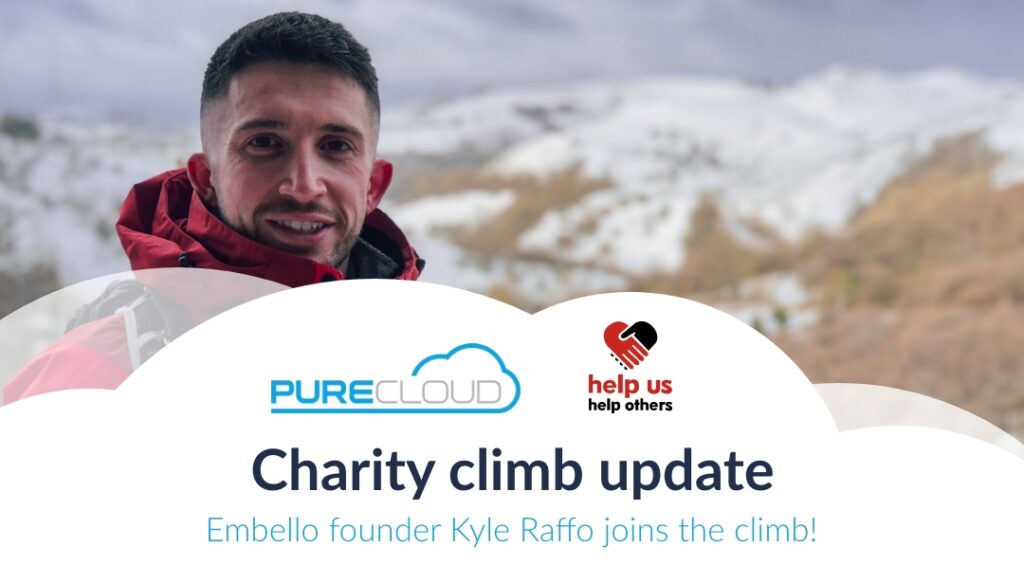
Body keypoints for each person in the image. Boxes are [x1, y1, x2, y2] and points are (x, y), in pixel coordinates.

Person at [2, 12, 422, 403]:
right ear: (205, 178)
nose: (304, 186)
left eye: (336, 146)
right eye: (263, 143)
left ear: (373, 185)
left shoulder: (433, 368)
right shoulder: (89, 380)